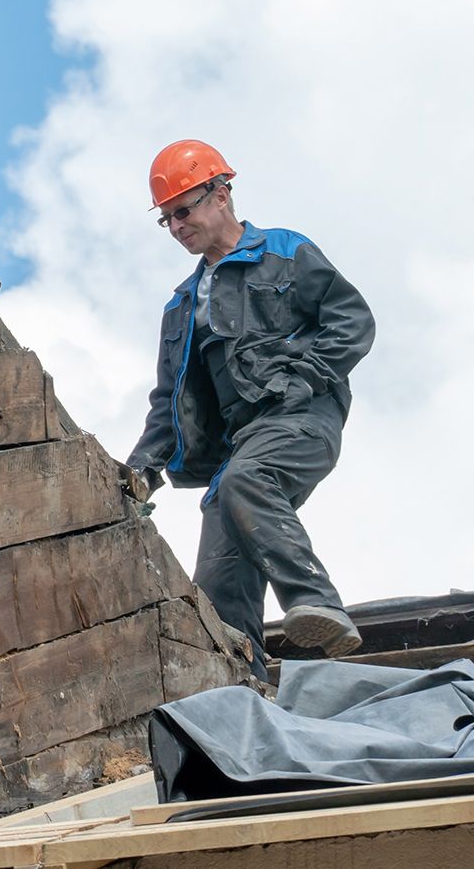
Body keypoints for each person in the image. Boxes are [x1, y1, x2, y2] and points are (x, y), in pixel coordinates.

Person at [126, 140, 375, 679]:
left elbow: (352, 321)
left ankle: (317, 602)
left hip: (300, 420)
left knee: (247, 479)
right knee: (215, 582)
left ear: (221, 194)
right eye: (166, 220)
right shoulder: (181, 306)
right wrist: (140, 471)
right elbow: (169, 400)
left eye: (183, 211)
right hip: (238, 449)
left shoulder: (284, 251)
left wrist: (303, 379)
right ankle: (243, 690)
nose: (176, 227)